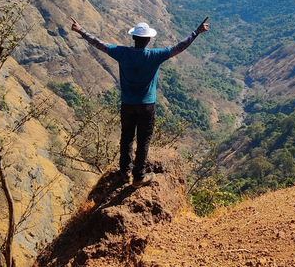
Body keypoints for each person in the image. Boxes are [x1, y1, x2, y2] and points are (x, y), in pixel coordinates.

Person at [70, 16, 209, 187]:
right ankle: (139, 177)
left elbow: (98, 43)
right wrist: (196, 32)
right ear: (148, 39)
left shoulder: (122, 53)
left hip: (127, 104)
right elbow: (178, 47)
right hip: (146, 105)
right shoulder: (154, 56)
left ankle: (125, 172)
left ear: (134, 38)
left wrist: (80, 30)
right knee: (143, 141)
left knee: (126, 137)